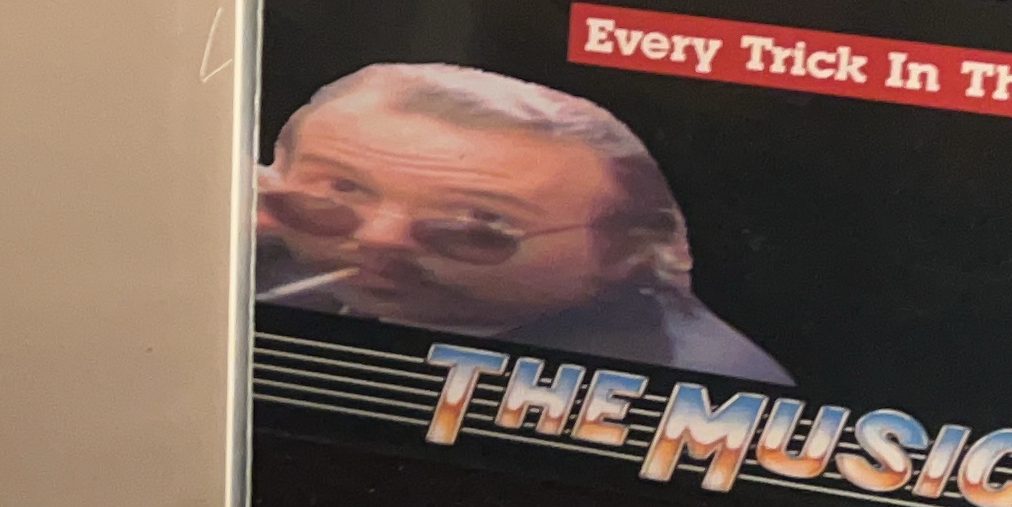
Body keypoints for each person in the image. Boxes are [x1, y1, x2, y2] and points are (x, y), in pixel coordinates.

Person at [255, 62, 789, 383]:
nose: (379, 239)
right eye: (338, 192)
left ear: (625, 251)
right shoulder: (255, 259)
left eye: (475, 226)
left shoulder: (683, 381)